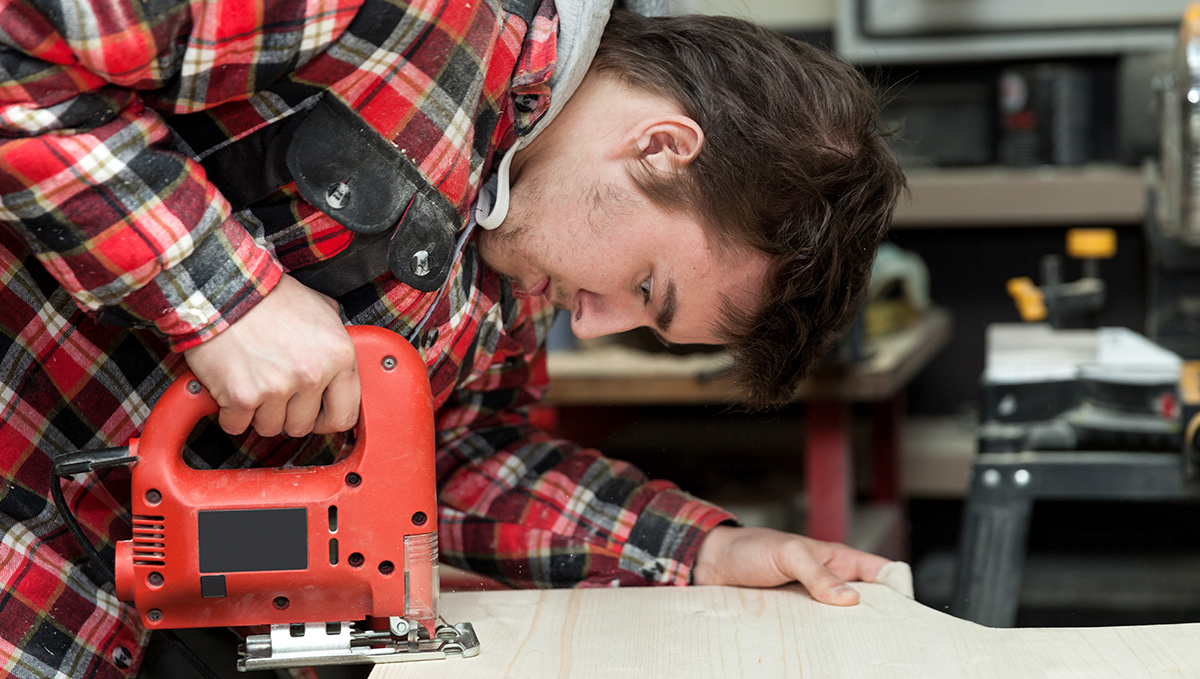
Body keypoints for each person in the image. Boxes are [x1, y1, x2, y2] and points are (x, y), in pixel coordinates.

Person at [0, 0, 905, 676]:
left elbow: (452, 458)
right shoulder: (403, 18)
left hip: (130, 632)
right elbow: (22, 35)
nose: (592, 322)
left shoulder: (520, 253)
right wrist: (222, 294)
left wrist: (701, 551)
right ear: (662, 146)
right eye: (644, 288)